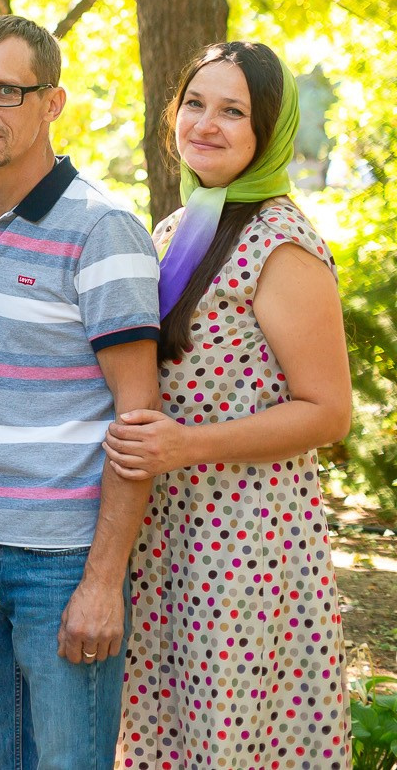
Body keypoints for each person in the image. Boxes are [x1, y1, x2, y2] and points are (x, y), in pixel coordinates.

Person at [0, 14, 162, 770]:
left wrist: (102, 580)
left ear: (52, 102)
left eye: (5, 90)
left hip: (63, 562)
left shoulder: (102, 228)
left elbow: (139, 418)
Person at [106, 41, 352, 768]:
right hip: (170, 537)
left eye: (233, 111)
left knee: (232, 738)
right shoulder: (177, 229)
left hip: (243, 544)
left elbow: (328, 410)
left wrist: (187, 445)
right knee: (162, 736)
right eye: (196, 103)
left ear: (267, 129)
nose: (206, 123)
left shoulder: (280, 243)